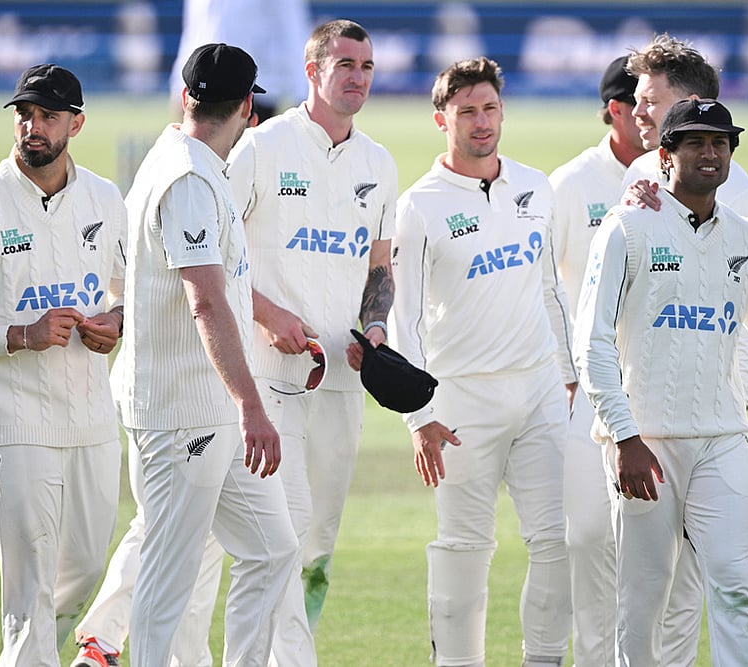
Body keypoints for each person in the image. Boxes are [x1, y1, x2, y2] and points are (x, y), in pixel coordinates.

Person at [112, 43, 298, 667]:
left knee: (272, 550)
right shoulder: (187, 177)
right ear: (249, 107)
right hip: (179, 413)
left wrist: (240, 405)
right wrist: (252, 404)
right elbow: (207, 304)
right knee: (169, 578)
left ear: (187, 95)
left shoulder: (193, 163)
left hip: (214, 409)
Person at [390, 56, 575, 667]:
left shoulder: (535, 185)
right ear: (441, 118)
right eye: (466, 110)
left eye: (490, 108)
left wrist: (571, 376)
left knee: (559, 540)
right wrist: (419, 417)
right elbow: (405, 320)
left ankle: (543, 660)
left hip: (542, 390)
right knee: (466, 544)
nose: (480, 121)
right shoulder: (419, 205)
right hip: (462, 399)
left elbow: (551, 289)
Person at [225, 18, 398, 664]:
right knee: (285, 534)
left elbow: (380, 267)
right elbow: (212, 260)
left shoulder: (378, 164)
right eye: (346, 64)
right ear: (312, 71)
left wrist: (376, 326)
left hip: (342, 382)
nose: (358, 78)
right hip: (269, 379)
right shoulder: (261, 149)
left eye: (367, 67)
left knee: (317, 546)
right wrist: (267, 313)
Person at [573, 98, 748, 667]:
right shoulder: (626, 227)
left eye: (722, 143)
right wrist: (624, 436)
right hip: (646, 443)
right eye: (696, 143)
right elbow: (591, 342)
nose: (711, 153)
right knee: (643, 598)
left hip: (722, 439)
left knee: (731, 584)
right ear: (666, 154)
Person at [619, 35, 748, 665]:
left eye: (649, 99)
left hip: (710, 423)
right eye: (636, 99)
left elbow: (739, 325)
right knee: (650, 586)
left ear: (690, 103)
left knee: (695, 586)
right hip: (650, 417)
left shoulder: (740, 200)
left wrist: (722, 410)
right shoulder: (642, 171)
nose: (637, 110)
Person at [0, 63, 126, 667]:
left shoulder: (104, 197)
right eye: (24, 114)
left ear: (77, 123)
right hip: (15, 428)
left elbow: (128, 291)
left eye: (47, 116)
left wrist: (117, 323)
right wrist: (21, 333)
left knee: (87, 570)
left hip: (93, 421)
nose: (32, 127)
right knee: (30, 591)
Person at [547, 55, 645, 667]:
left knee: (650, 548)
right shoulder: (572, 183)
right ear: (616, 110)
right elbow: (545, 286)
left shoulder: (678, 176)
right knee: (586, 537)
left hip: (656, 389)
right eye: (646, 105)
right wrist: (563, 372)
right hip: (585, 390)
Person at [169, 0, 309, 122]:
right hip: (204, 83)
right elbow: (195, 30)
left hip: (255, 89)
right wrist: (178, 84)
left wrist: (302, 93)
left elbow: (292, 30)